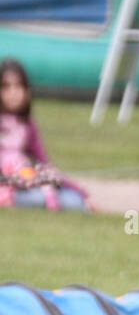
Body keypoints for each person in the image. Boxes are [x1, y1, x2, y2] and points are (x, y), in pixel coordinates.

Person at [0, 59, 89, 211]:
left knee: (75, 201)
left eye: (18, 86)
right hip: (9, 189)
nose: (12, 93)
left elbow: (44, 165)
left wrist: (81, 192)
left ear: (26, 91)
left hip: (27, 184)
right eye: (6, 87)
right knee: (37, 198)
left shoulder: (27, 125)